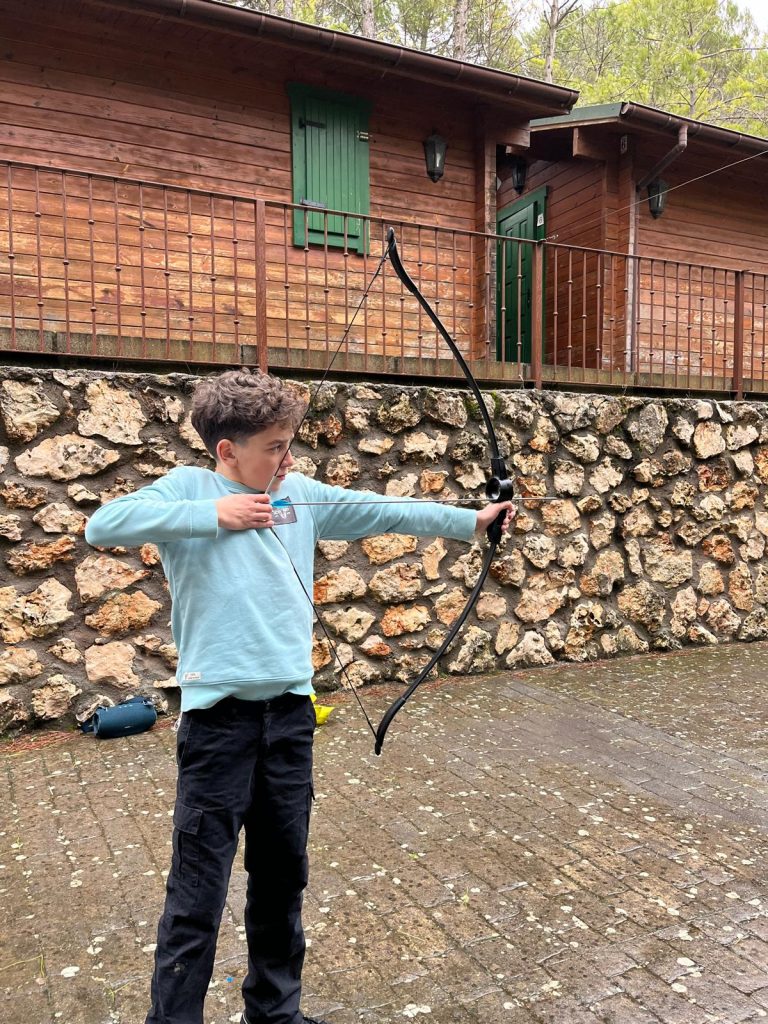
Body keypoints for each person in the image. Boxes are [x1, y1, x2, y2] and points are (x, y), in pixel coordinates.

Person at [84, 369, 514, 1024]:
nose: (288, 459)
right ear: (227, 450)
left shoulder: (299, 495)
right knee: (197, 892)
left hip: (289, 719)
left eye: (290, 444)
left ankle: (274, 1014)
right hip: (217, 725)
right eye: (274, 447)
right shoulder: (190, 489)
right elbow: (103, 525)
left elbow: (381, 509)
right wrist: (214, 515)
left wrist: (471, 520)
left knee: (283, 879)